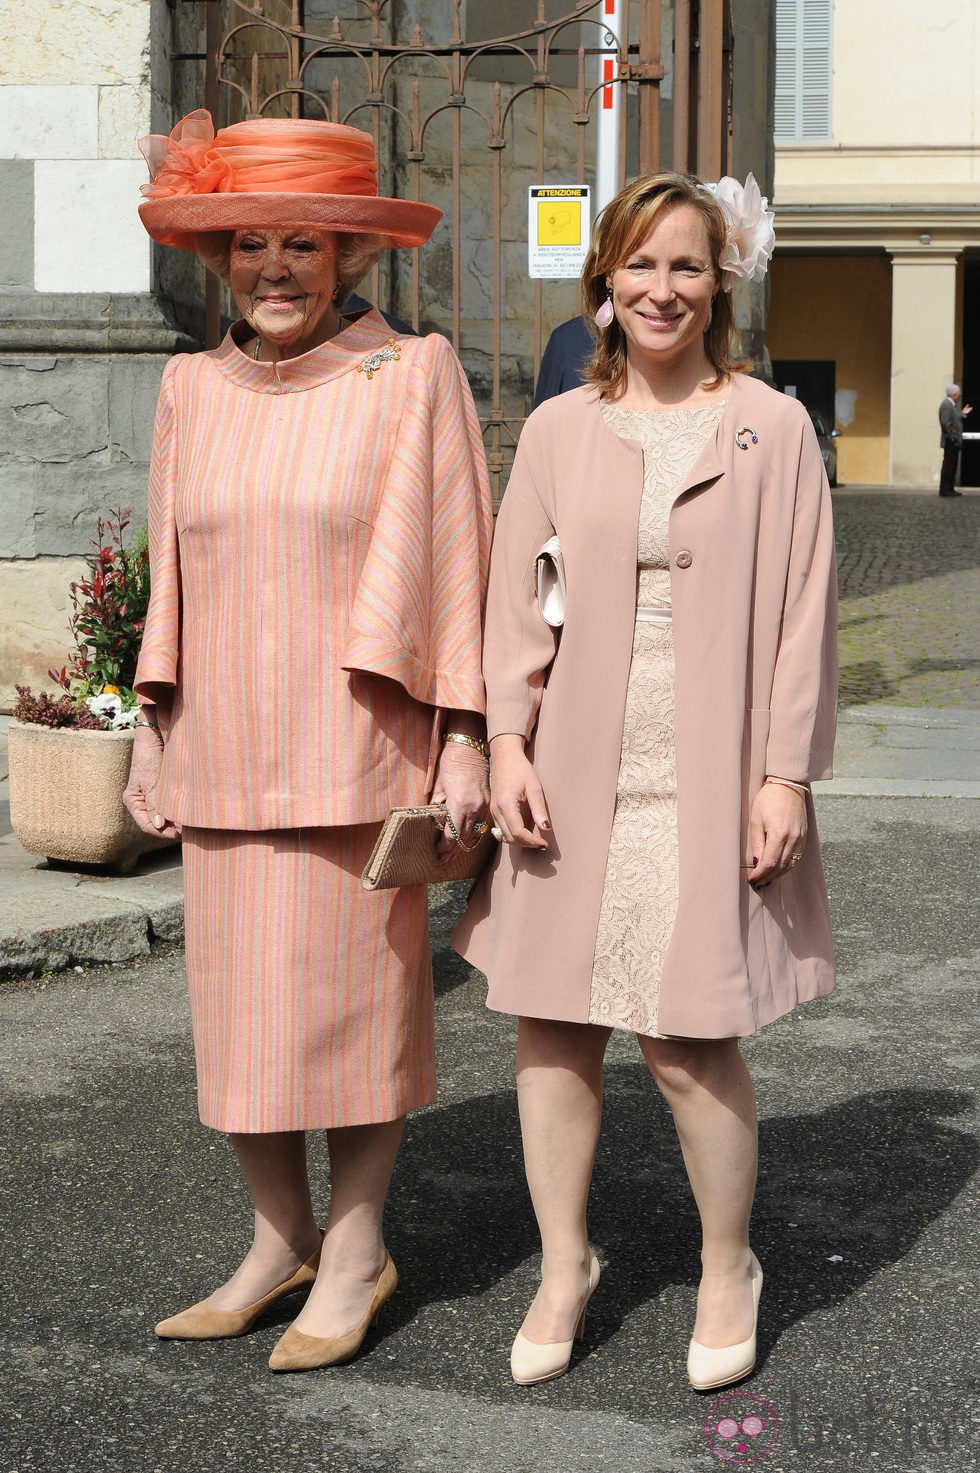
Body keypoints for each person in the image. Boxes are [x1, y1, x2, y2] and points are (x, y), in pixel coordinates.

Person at [454, 171, 838, 1391]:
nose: (659, 287)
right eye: (638, 266)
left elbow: (801, 615)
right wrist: (504, 738)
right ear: (603, 286)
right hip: (575, 766)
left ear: (720, 277)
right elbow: (525, 598)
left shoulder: (769, 426)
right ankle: (564, 1265)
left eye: (684, 264)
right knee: (554, 1027)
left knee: (686, 1038)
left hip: (709, 767)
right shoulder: (562, 429)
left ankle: (728, 1266)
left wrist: (785, 774)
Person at [124, 110, 493, 1373]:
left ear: (346, 255)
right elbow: (167, 574)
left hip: (358, 754)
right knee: (239, 1023)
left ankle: (355, 1251)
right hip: (222, 749)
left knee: (354, 1019)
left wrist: (462, 742)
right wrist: (151, 726)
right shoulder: (186, 388)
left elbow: (458, 567)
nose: (274, 268)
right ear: (220, 255)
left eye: (304, 243)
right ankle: (274, 1240)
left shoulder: (411, 374)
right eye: (250, 244)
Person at [938, 383, 971, 496]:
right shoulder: (946, 405)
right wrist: (953, 437)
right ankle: (945, 489)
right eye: (958, 395)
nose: (959, 397)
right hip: (950, 441)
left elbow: (955, 419)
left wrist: (962, 413)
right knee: (949, 465)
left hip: (953, 440)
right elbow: (946, 423)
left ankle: (949, 488)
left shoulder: (951, 405)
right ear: (953, 395)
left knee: (952, 465)